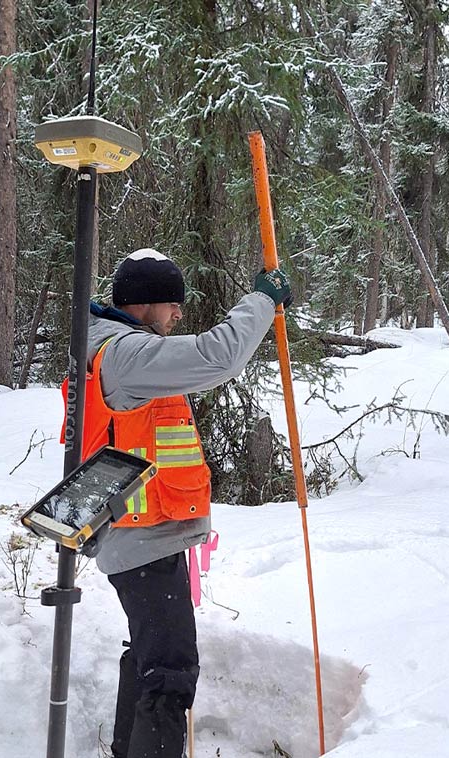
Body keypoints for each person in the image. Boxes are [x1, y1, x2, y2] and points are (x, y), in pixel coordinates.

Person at [67, 248, 291, 758]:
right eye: (174, 305)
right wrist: (262, 301)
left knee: (152, 658)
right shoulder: (126, 356)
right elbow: (218, 356)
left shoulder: (118, 347)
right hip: (141, 540)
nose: (179, 316)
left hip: (143, 533)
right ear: (148, 303)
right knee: (170, 673)